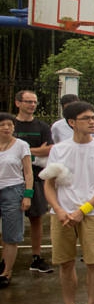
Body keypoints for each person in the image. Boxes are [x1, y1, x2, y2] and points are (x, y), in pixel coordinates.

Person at [42, 100, 94, 304]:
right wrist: (60, 209)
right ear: (72, 122)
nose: (93, 122)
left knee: (93, 262)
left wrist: (82, 210)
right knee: (65, 263)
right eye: (87, 118)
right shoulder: (59, 150)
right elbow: (49, 184)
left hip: (91, 214)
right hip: (62, 215)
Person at [12, 90, 53, 274]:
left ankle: (36, 257)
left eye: (34, 102)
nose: (32, 105)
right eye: (28, 101)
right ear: (18, 103)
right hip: (10, 178)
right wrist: (36, 150)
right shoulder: (9, 124)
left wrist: (23, 150)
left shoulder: (42, 126)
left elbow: (50, 149)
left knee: (36, 218)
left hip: (36, 177)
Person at [0, 112, 34, 288]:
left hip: (13, 190)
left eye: (9, 125)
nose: (6, 128)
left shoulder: (21, 146)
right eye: (3, 125)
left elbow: (28, 172)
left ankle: (6, 271)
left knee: (11, 234)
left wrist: (28, 195)